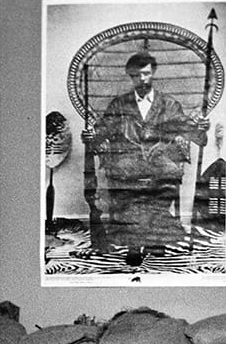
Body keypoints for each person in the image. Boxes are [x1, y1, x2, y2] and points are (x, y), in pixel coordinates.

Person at [81, 51, 209, 258]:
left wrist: (201, 128)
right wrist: (90, 135)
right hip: (128, 161)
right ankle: (134, 243)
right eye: (136, 75)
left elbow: (194, 135)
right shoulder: (119, 104)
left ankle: (155, 239)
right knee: (129, 188)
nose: (142, 79)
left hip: (159, 160)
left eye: (146, 74)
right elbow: (101, 132)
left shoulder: (169, 104)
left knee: (164, 181)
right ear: (130, 76)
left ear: (153, 73)